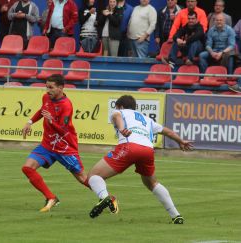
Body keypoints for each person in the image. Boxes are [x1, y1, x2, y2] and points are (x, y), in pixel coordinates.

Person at [87, 95, 193, 224]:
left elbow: (117, 117)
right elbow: (167, 132)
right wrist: (181, 141)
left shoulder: (119, 111)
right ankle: (176, 215)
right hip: (148, 150)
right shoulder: (146, 119)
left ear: (120, 106)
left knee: (94, 175)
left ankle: (104, 197)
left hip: (129, 147)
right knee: (152, 183)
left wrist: (121, 129)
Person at [21, 74, 88, 212]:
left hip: (65, 147)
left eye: (51, 87)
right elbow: (42, 111)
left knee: (83, 178)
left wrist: (51, 121)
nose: (48, 90)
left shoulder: (66, 105)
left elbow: (64, 131)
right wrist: (30, 122)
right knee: (27, 168)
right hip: (47, 145)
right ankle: (51, 197)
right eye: (46, 87)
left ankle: (106, 196)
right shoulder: (46, 98)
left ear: (60, 88)